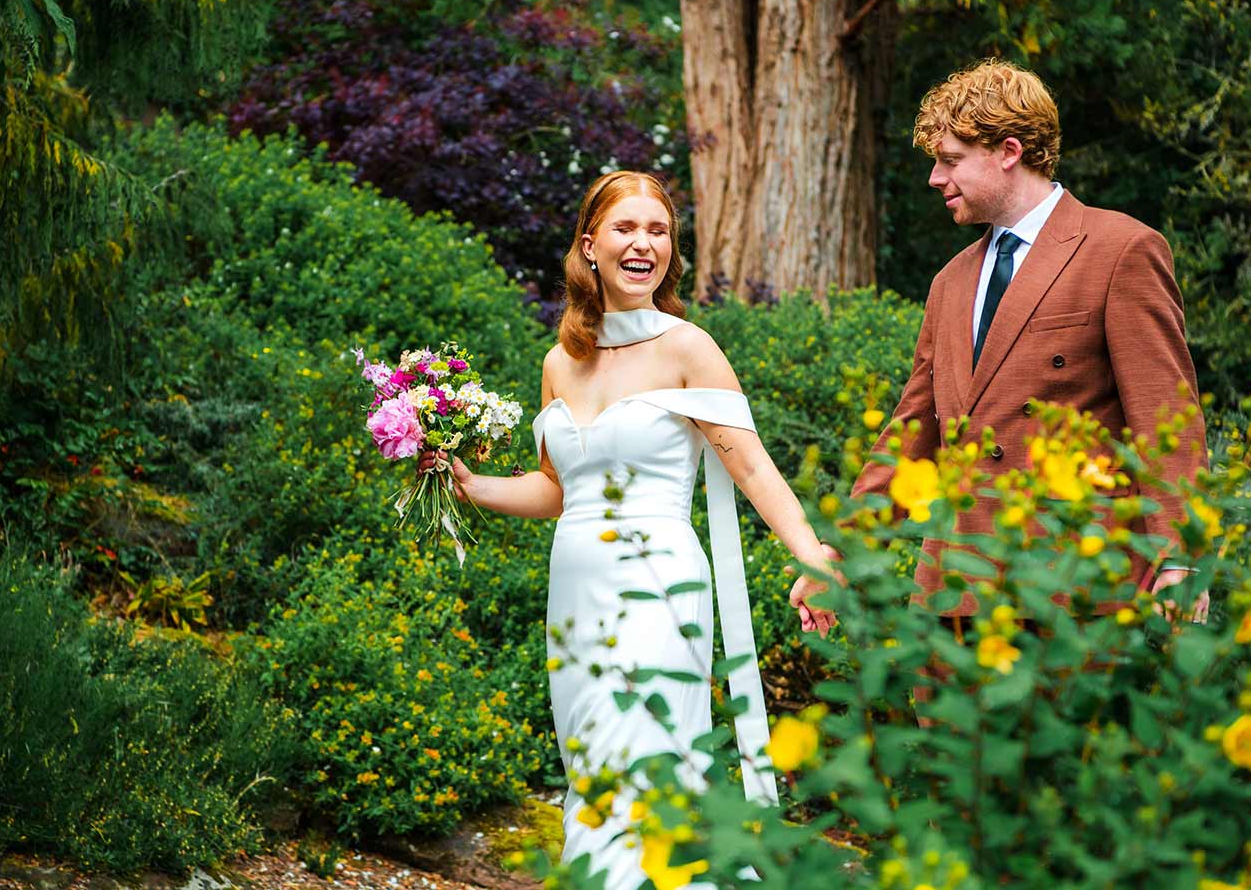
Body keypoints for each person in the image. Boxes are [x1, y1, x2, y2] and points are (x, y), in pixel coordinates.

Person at [426, 170, 838, 890]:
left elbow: (755, 470)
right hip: (576, 597)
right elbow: (557, 489)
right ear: (590, 246)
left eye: (658, 231)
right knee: (591, 773)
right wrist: (472, 483)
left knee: (645, 764)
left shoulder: (688, 348)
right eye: (625, 228)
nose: (643, 243)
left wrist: (814, 557)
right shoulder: (560, 361)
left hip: (658, 586)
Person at [790, 58, 1208, 635]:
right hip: (954, 596)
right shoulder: (949, 283)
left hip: (1079, 595)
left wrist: (1181, 559)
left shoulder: (1122, 250)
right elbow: (914, 432)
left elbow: (1166, 417)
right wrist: (840, 555)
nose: (936, 178)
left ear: (1008, 151)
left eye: (950, 160)